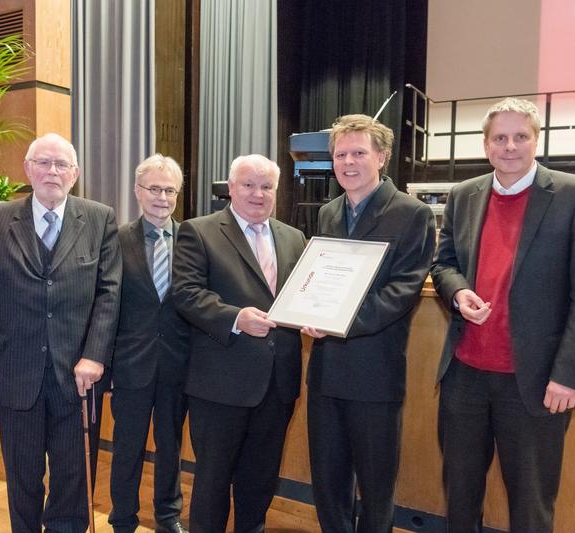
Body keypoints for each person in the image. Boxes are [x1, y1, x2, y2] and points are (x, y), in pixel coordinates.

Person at [430, 97, 575, 533]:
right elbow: (444, 264)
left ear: (537, 140)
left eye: (520, 137)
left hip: (534, 383)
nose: (509, 146)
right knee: (459, 499)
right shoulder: (464, 195)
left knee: (531, 506)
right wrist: (458, 294)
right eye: (499, 138)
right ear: (486, 145)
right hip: (464, 378)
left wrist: (570, 374)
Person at [0, 133, 122, 533]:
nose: (52, 171)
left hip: (77, 375)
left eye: (61, 165)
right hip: (15, 372)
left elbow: (109, 292)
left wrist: (96, 355)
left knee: (72, 474)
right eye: (44, 162)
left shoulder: (100, 218)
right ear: (27, 169)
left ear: (75, 174)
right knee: (22, 474)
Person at [302, 114, 436, 533]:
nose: (348, 162)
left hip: (374, 373)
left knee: (377, 489)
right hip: (325, 373)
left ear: (381, 156)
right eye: (340, 154)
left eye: (359, 152)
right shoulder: (328, 213)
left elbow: (402, 292)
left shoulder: (412, 214)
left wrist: (337, 321)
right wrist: (307, 312)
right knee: (328, 483)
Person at [172, 154, 306, 533]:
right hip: (220, 384)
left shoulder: (293, 237)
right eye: (248, 185)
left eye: (267, 186)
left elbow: (300, 297)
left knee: (260, 482)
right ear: (230, 188)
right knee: (213, 482)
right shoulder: (199, 231)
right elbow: (186, 294)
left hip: (277, 383)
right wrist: (235, 318)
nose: (258, 194)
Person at [109, 154, 190, 533]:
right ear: (138, 192)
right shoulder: (117, 239)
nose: (162, 197)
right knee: (127, 448)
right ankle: (123, 518)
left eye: (169, 189)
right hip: (131, 364)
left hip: (178, 363)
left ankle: (168, 515)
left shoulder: (193, 239)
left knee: (171, 448)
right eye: (154, 188)